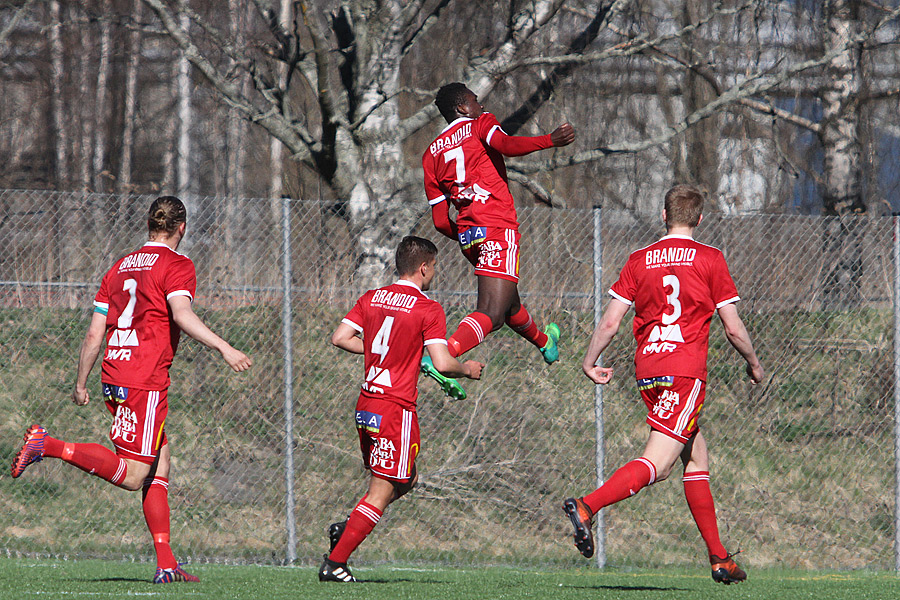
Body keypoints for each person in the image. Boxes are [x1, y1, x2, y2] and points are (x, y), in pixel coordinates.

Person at [11, 196, 252, 584]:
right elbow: (182, 314)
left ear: (148, 225)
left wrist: (80, 381)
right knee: (134, 475)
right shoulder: (177, 265)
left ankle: (166, 562)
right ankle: (49, 445)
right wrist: (224, 347)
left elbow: (95, 332)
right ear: (182, 228)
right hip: (143, 379)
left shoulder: (119, 266)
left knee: (161, 462)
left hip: (114, 374)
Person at [562, 184, 763, 585]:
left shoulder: (639, 260)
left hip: (649, 373)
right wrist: (754, 362)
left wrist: (588, 360)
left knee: (696, 458)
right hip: (684, 372)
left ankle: (720, 558)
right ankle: (587, 506)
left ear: (663, 215)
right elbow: (733, 327)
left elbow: (610, 322)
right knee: (659, 463)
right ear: (700, 219)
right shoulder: (709, 258)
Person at [321, 235, 484, 582]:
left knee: (405, 479)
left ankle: (351, 526)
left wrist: (381, 355)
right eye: (435, 267)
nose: (434, 273)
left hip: (366, 404)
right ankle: (335, 563)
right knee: (382, 491)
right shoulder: (428, 308)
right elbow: (442, 362)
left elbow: (340, 337)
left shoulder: (372, 297)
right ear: (424, 267)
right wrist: (467, 368)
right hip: (395, 409)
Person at [422, 82, 575, 365]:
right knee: (491, 312)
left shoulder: (431, 154)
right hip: (496, 228)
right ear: (462, 108)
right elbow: (506, 145)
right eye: (475, 100)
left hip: (470, 238)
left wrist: (468, 232)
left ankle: (545, 342)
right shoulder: (480, 122)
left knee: (509, 304)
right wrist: (549, 140)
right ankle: (443, 356)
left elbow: (441, 222)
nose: (480, 104)